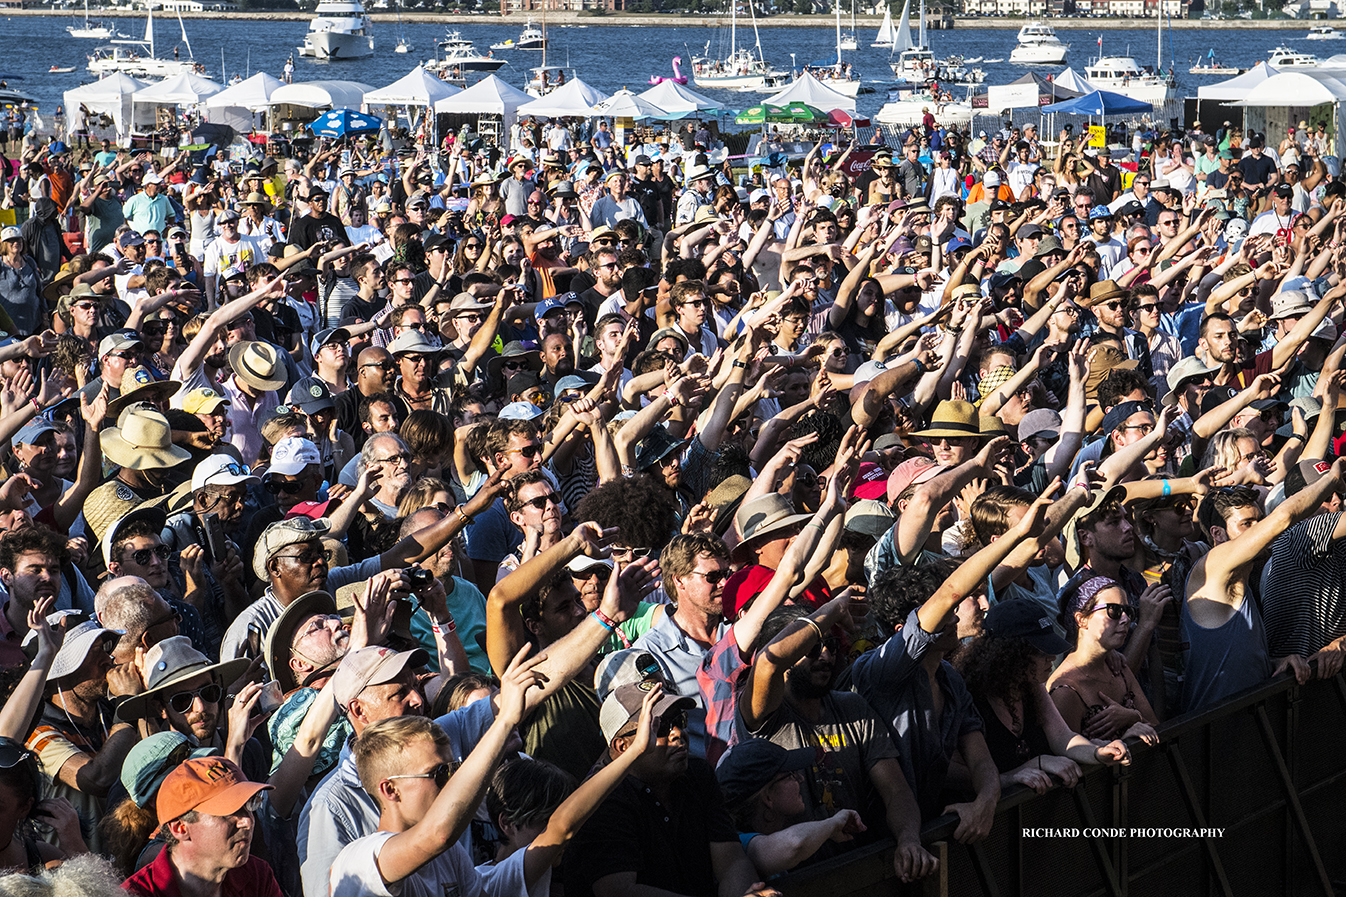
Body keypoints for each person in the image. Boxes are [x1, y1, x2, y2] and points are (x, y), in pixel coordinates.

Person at [122, 756, 282, 896]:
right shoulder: (136, 894)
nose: (246, 821)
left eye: (249, 805)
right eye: (228, 812)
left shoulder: (257, 875)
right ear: (180, 828)